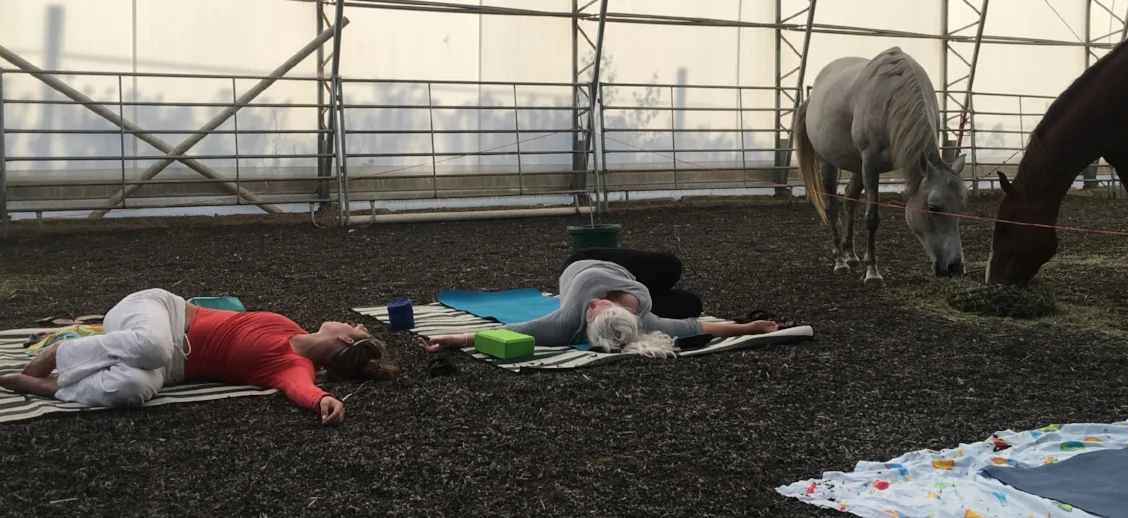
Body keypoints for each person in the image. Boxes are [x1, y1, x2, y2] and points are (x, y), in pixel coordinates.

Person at [0, 288, 397, 425]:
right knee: (152, 345)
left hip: (169, 366)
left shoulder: (293, 367)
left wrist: (324, 399)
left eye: (359, 329)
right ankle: (63, 351)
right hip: (161, 313)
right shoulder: (286, 324)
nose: (355, 323)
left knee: (133, 388)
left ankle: (44, 385)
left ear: (345, 342)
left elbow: (301, 389)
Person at [418, 248, 784, 358]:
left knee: (681, 282)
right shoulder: (648, 321)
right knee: (685, 290)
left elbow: (506, 331)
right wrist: (752, 327)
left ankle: (656, 279)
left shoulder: (564, 324)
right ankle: (658, 282)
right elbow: (703, 326)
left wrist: (454, 339)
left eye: (592, 309)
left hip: (592, 265)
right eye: (595, 307)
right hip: (606, 266)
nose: (590, 304)